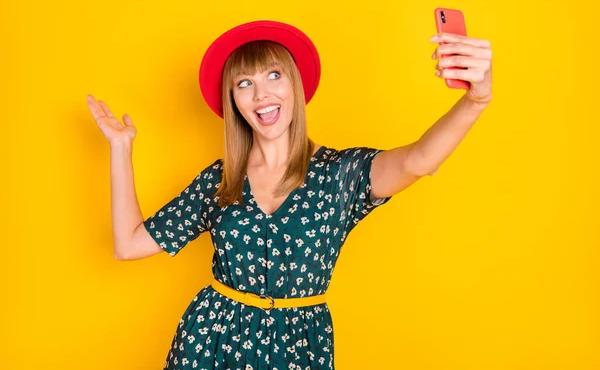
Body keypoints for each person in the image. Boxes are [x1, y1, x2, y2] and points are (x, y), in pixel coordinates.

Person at [87, 20, 492, 369]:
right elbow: (129, 244)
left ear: (294, 85)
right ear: (234, 102)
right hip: (209, 344)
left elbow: (418, 161)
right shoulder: (221, 181)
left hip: (300, 349)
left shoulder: (339, 175)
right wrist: (120, 149)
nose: (261, 94)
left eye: (274, 76)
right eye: (244, 83)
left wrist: (476, 99)